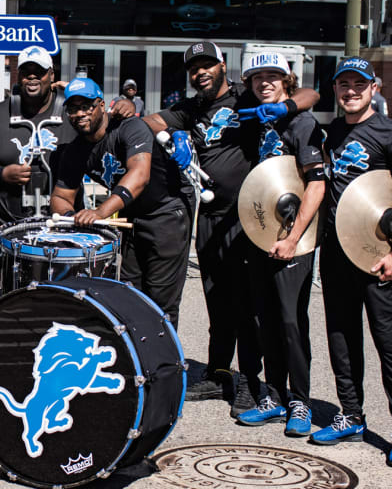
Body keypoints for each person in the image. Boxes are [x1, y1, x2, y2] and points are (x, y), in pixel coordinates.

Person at [133, 41, 317, 415]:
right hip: (211, 216)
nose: (200, 72)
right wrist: (173, 135)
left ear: (222, 66)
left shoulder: (244, 97)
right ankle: (219, 372)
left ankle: (252, 382)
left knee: (247, 304)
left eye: (207, 65)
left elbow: (311, 94)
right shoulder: (191, 108)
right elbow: (148, 121)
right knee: (217, 297)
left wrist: (285, 105)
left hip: (249, 215)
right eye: (193, 68)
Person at [312, 56, 392, 468]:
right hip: (337, 255)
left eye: (359, 84)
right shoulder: (330, 133)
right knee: (341, 338)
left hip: (379, 258)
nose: (351, 91)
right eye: (344, 84)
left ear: (373, 87)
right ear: (336, 89)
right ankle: (350, 415)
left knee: (391, 346)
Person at [232, 52, 325, 437]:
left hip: (293, 238)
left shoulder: (301, 123)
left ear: (287, 81)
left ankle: (300, 402)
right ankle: (272, 395)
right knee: (264, 318)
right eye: (257, 77)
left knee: (290, 320)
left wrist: (293, 238)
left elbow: (316, 185)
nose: (264, 82)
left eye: (273, 76)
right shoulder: (250, 119)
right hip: (257, 234)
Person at [52, 78, 192, 326]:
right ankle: (138, 359)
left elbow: (139, 176)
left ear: (101, 105)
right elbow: (61, 196)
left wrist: (100, 211)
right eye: (73, 108)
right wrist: (72, 218)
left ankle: (166, 364)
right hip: (132, 216)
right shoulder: (74, 149)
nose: (80, 114)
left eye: (86, 106)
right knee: (130, 294)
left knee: (161, 300)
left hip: (166, 211)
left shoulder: (129, 127)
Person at [0, 46, 70, 229]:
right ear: (18, 75)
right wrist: (1, 173)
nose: (32, 77)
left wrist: (77, 93)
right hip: (9, 226)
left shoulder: (71, 114)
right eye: (26, 72)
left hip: (63, 224)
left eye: (39, 72)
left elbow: (101, 130)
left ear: (52, 75)